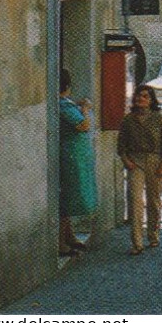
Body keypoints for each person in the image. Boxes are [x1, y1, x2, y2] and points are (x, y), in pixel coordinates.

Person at [117, 84, 162, 255]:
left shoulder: (159, 119)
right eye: (138, 96)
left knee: (154, 201)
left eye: (144, 96)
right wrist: (127, 161)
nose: (140, 99)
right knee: (135, 201)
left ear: (151, 100)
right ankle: (137, 242)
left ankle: (153, 235)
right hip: (136, 161)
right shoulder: (128, 120)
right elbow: (121, 145)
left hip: (155, 161)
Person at [59, 68, 97, 256]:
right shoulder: (64, 105)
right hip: (71, 158)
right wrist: (86, 108)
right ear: (67, 86)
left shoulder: (65, 104)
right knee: (67, 199)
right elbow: (83, 125)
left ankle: (70, 236)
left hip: (73, 156)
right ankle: (63, 242)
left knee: (67, 199)